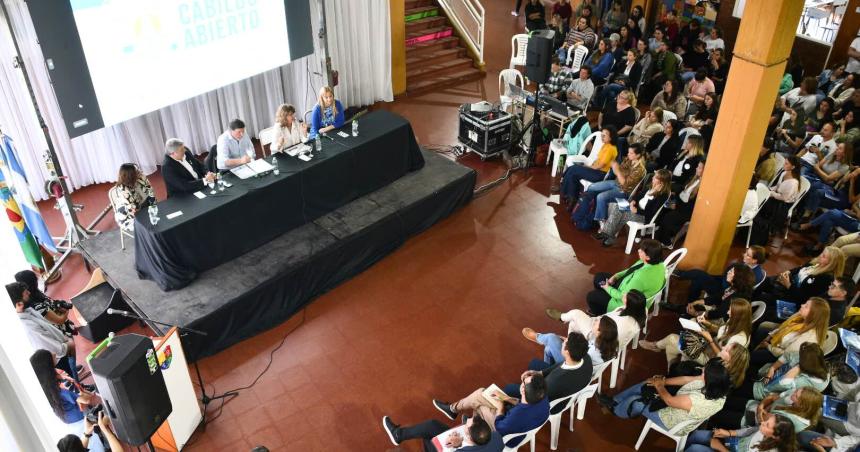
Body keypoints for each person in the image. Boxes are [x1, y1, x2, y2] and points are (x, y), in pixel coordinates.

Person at [597, 359, 732, 438]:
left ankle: (614, 409)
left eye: (704, 372)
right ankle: (615, 400)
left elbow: (669, 401)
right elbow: (686, 379)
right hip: (679, 408)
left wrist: (660, 386)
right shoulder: (720, 393)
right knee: (648, 383)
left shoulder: (697, 400)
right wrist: (663, 381)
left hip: (670, 420)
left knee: (637, 402)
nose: (701, 371)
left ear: (711, 380)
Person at [31, 349, 122, 452]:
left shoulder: (45, 385)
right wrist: (85, 392)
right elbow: (86, 400)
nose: (54, 353)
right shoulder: (62, 385)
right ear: (48, 364)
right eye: (50, 355)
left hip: (69, 421)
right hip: (80, 418)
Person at [431, 374, 549, 448]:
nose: (523, 378)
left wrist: (500, 407)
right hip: (523, 423)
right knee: (483, 392)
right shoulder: (542, 397)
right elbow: (524, 404)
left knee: (478, 401)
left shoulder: (515, 417)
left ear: (523, 390)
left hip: (505, 435)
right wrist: (509, 400)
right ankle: (462, 415)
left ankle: (456, 412)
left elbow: (499, 427)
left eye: (524, 381)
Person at [641, 298, 753, 369]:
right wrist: (706, 323)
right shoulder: (735, 322)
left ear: (738, 315)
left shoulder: (739, 339)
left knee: (672, 339)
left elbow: (723, 359)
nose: (727, 312)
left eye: (730, 311)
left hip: (710, 359)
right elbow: (720, 330)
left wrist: (709, 339)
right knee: (672, 347)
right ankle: (672, 369)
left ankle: (656, 346)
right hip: (708, 346)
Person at [545, 289, 647, 359]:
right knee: (572, 323)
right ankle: (570, 342)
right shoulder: (641, 312)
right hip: (603, 330)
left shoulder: (622, 322)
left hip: (598, 336)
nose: (624, 294)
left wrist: (595, 322)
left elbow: (604, 334)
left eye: (626, 297)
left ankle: (562, 318)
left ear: (629, 304)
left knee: (576, 313)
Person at [8, 282, 78, 379]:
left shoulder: (27, 311)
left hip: (61, 347)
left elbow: (48, 328)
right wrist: (68, 345)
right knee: (72, 379)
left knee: (72, 373)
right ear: (19, 304)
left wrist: (63, 338)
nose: (29, 293)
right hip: (58, 357)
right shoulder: (27, 326)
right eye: (25, 293)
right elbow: (48, 345)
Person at [584, 239, 666, 315]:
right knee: (599, 277)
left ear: (648, 257)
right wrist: (616, 276)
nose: (638, 250)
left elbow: (622, 296)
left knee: (591, 296)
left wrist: (607, 288)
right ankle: (602, 297)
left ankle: (600, 312)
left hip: (625, 304)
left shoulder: (640, 278)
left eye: (641, 251)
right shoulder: (659, 263)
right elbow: (630, 270)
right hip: (626, 285)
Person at [593, 169, 670, 247]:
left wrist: (637, 211)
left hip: (643, 216)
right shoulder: (650, 186)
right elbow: (639, 196)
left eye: (656, 177)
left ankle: (606, 234)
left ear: (661, 181)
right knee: (617, 207)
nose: (653, 177)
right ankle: (608, 236)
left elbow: (651, 212)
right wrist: (633, 201)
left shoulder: (663, 195)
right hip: (635, 208)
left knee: (621, 213)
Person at [750, 298, 831, 369]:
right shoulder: (800, 315)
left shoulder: (808, 338)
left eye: (806, 306)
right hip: (778, 342)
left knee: (751, 357)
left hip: (779, 355)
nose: (802, 305)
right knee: (762, 331)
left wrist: (768, 346)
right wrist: (770, 336)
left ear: (813, 315)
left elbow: (786, 355)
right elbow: (783, 327)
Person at [585, 142, 647, 228]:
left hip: (624, 191)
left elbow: (624, 184)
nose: (628, 154)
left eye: (631, 153)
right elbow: (618, 171)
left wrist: (617, 170)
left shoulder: (640, 170)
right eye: (628, 152)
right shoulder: (629, 160)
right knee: (591, 187)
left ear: (638, 155)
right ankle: (590, 210)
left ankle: (603, 221)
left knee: (601, 197)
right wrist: (615, 166)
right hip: (616, 183)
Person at [759, 247, 845, 306]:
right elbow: (799, 269)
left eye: (824, 256)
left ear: (830, 263)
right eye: (822, 253)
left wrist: (788, 285)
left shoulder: (825, 279)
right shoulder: (815, 263)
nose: (820, 255)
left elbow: (803, 298)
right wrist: (788, 272)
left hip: (792, 297)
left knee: (763, 298)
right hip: (788, 284)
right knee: (761, 282)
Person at [523, 316, 614, 371]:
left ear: (600, 332)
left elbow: (576, 358)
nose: (594, 322)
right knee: (548, 349)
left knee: (551, 338)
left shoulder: (594, 351)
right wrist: (569, 342)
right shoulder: (607, 343)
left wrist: (567, 345)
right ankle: (547, 367)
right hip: (579, 362)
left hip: (573, 367)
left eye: (595, 324)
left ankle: (538, 337)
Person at [382, 412, 502, 451]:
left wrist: (456, 446)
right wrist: (459, 442)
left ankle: (398, 434)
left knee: (428, 436)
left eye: (467, 423)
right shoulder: (496, 439)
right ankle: (398, 434)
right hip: (463, 444)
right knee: (433, 425)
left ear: (469, 437)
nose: (467, 419)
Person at [560, 126, 618, 204]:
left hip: (600, 174)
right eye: (602, 134)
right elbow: (597, 161)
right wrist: (586, 166)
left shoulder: (611, 149)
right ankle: (571, 195)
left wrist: (586, 166)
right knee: (572, 169)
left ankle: (566, 192)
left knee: (573, 169)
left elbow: (599, 166)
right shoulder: (605, 145)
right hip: (596, 170)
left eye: (605, 135)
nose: (602, 136)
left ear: (611, 137)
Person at [685, 413, 797, 452]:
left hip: (726, 450)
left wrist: (720, 447)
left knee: (695, 449)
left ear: (775, 436)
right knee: (697, 434)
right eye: (767, 421)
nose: (762, 422)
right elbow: (750, 430)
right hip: (732, 445)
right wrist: (729, 433)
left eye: (767, 425)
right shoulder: (764, 431)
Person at [655, 160, 705, 246]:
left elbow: (690, 203)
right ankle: (658, 233)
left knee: (669, 216)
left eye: (699, 167)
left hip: (686, 210)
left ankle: (667, 242)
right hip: (680, 204)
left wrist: (676, 205)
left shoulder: (703, 186)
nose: (696, 168)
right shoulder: (694, 179)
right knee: (663, 206)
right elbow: (683, 192)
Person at [14, 270, 75, 338]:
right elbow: (59, 320)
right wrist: (66, 311)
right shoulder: (37, 306)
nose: (37, 280)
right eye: (35, 279)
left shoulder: (35, 292)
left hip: (61, 320)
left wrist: (58, 304)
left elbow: (48, 302)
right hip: (61, 331)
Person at [108, 163, 155, 232]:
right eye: (136, 171)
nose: (140, 171)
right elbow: (134, 212)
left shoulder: (140, 178)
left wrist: (154, 207)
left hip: (145, 207)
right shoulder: (123, 191)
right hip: (129, 217)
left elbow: (151, 192)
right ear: (131, 176)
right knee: (150, 226)